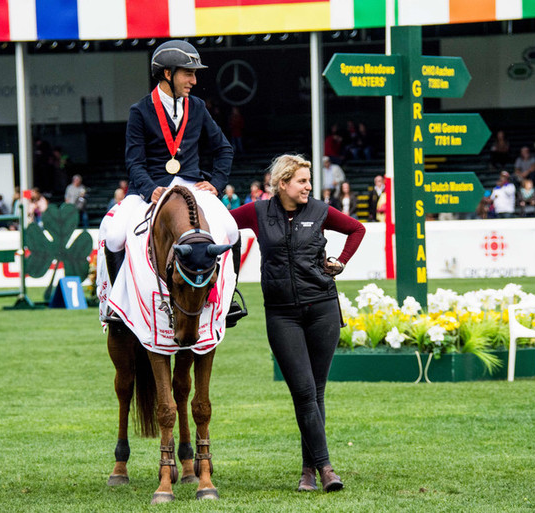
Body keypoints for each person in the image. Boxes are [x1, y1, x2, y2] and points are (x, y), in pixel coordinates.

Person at [230, 155, 365, 493]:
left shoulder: (319, 211)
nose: (309, 187)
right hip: (281, 314)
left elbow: (356, 229)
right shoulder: (258, 212)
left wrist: (341, 261)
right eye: (302, 181)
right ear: (283, 183)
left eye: (309, 181)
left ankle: (309, 471)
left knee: (315, 393)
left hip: (322, 309)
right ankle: (326, 467)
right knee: (304, 391)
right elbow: (221, 223)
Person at [98, 40, 242, 325]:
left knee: (233, 230)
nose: (194, 80)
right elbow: (134, 161)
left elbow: (224, 148)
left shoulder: (198, 107)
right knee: (114, 235)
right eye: (188, 73)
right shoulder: (140, 111)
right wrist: (150, 188)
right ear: (167, 74)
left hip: (191, 186)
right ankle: (118, 302)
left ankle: (231, 298)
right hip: (150, 189)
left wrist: (216, 182)